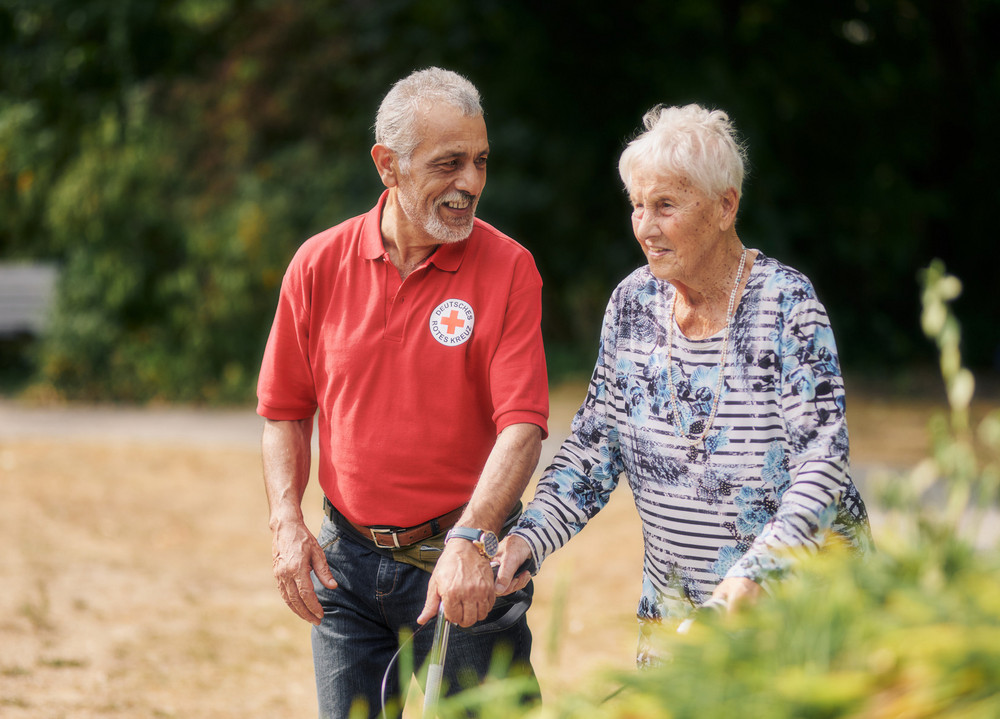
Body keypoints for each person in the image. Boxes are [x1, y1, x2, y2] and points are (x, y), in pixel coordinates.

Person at [494, 103, 872, 663]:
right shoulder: (632, 304)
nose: (645, 226)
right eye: (638, 206)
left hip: (797, 613)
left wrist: (756, 579)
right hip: (677, 615)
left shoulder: (786, 305)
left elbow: (823, 459)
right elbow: (596, 447)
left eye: (666, 206)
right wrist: (527, 538)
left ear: (725, 207)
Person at [257, 67, 548, 718]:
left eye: (479, 162)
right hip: (347, 570)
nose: (470, 182)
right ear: (387, 166)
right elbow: (283, 410)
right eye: (448, 164)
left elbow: (522, 425)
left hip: (465, 564)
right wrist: (286, 522)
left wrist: (472, 539)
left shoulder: (508, 268)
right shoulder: (317, 264)